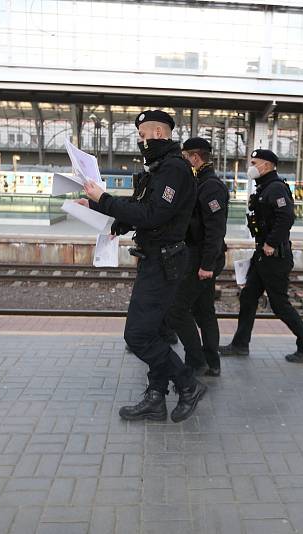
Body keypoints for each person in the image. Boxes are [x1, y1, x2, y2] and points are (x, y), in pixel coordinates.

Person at [80, 110, 206, 423]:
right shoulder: (160, 168)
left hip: (165, 262)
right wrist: (101, 209)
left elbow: (153, 215)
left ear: (159, 134)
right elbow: (140, 207)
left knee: (137, 336)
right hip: (157, 258)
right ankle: (155, 397)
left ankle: (188, 384)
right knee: (154, 333)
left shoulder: (174, 169)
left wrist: (105, 198)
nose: (140, 141)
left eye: (142, 135)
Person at [219, 149, 303, 364]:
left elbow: (286, 217)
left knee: (280, 304)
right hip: (263, 254)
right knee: (248, 297)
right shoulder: (265, 187)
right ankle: (240, 344)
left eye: (254, 162)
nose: (251, 166)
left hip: (274, 256)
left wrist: (271, 243)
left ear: (266, 165)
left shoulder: (275, 188)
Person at [166, 137, 229, 378]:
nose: (183, 162)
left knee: (177, 309)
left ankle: (196, 360)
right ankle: (212, 363)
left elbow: (215, 229)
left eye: (185, 157)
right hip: (199, 256)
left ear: (195, 157)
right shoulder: (199, 181)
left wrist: (206, 265)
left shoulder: (210, 185)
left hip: (202, 258)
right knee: (204, 311)